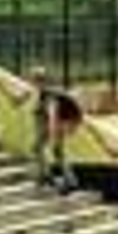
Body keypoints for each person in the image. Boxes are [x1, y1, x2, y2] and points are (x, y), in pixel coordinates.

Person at [29, 65, 83, 193]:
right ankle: (48, 174)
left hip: (66, 121)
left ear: (39, 81)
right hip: (67, 119)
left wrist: (53, 135)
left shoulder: (49, 94)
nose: (32, 84)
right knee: (43, 148)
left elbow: (53, 115)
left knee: (52, 150)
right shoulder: (47, 92)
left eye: (34, 80)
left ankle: (65, 179)